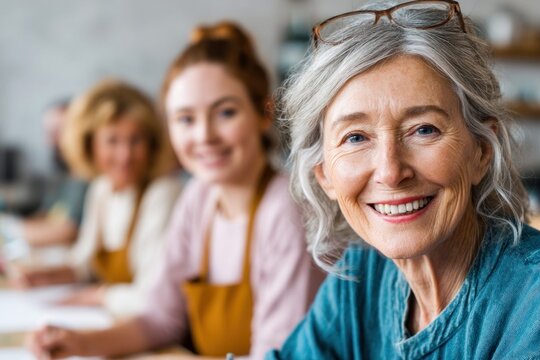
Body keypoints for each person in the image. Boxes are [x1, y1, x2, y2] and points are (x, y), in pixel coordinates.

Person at [267, 1, 540, 358]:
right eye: (356, 137)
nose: (391, 172)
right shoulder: (363, 276)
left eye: (424, 130)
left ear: (481, 150)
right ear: (325, 175)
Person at [27, 22, 323, 360]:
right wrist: (81, 344)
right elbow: (158, 319)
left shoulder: (285, 208)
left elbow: (277, 353)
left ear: (263, 113)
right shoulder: (198, 197)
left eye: (225, 112)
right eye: (185, 119)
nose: (204, 136)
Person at [10, 79, 182, 317]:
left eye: (136, 140)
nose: (125, 155)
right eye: (112, 141)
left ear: (152, 144)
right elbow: (86, 263)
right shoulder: (102, 189)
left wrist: (98, 296)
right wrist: (44, 277)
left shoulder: (162, 193)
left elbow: (152, 295)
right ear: (91, 145)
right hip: (118, 317)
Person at [0, 100, 88, 257]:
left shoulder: (87, 179)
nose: (50, 142)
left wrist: (12, 229)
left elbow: (68, 231)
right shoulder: (62, 176)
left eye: (58, 132)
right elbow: (47, 215)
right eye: (48, 133)